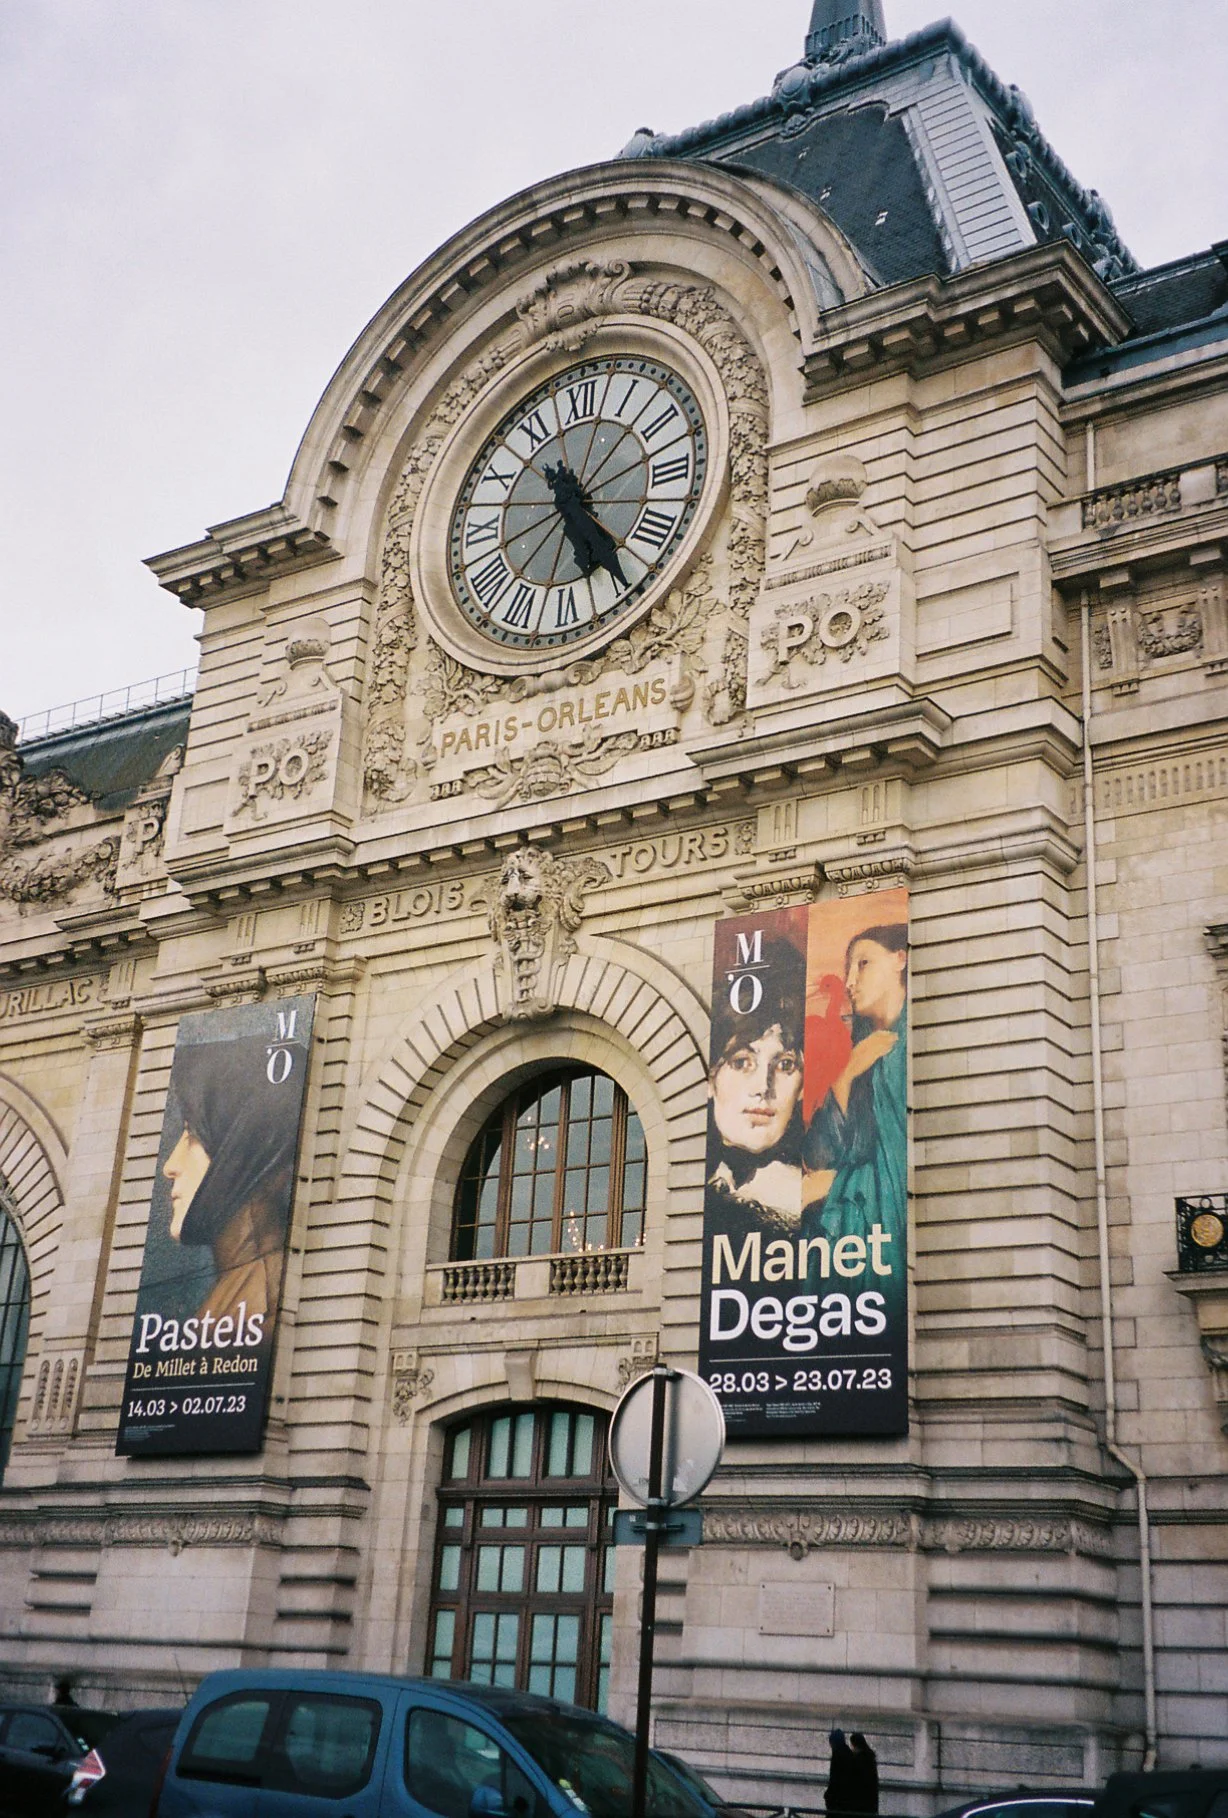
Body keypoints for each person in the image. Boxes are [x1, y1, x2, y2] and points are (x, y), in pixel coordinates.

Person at [162, 1033, 304, 1326]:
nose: (170, 1166)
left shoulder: (255, 1306)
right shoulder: (238, 1297)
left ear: (244, 1144)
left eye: (193, 1135)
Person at [803, 924, 907, 1303]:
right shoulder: (856, 1046)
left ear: (901, 958)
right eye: (848, 970)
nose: (850, 981)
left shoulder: (906, 1041)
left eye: (863, 964)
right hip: (855, 1231)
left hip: (878, 1223)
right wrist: (847, 1074)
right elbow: (821, 1152)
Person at [706, 937, 806, 1241]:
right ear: (711, 1079)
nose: (763, 1088)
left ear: (803, 1086)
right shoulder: (717, 1185)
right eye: (742, 1063)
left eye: (785, 1065)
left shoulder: (817, 1205)